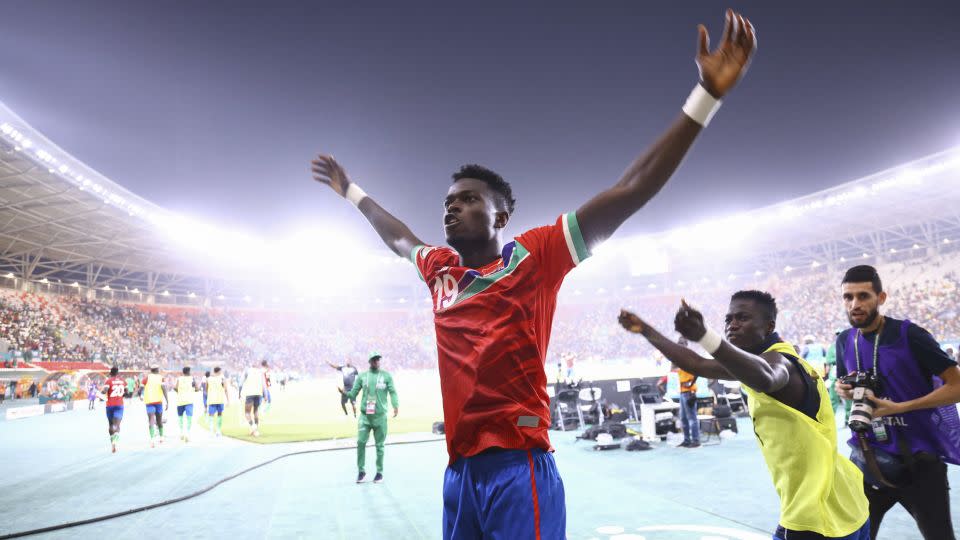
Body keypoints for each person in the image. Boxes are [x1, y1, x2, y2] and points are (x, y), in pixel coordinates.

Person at [311, 9, 755, 537]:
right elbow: (399, 235)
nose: (451, 209)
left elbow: (629, 190)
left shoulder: (535, 257)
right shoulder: (440, 270)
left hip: (519, 468)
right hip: (459, 474)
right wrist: (351, 192)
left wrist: (704, 98)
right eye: (448, 202)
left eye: (468, 200)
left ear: (501, 216)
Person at [619, 290, 870, 540]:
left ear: (769, 325)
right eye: (728, 319)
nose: (732, 325)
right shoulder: (758, 361)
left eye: (742, 318)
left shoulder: (781, 361)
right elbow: (699, 364)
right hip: (841, 500)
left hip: (819, 516)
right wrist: (646, 330)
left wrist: (706, 336)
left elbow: (767, 377)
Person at [834, 265, 960, 540]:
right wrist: (841, 388)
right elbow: (846, 381)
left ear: (881, 298)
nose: (854, 304)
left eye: (863, 296)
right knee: (855, 537)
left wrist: (901, 407)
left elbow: (957, 386)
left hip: (919, 463)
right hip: (868, 459)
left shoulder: (910, 335)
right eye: (848, 297)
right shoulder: (844, 340)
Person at [342, 353, 398, 484]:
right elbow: (353, 393)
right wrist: (346, 394)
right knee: (361, 442)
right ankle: (361, 472)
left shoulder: (386, 376)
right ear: (370, 362)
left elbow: (393, 392)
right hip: (365, 417)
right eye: (374, 359)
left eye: (378, 359)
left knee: (380, 446)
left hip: (380, 417)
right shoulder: (362, 376)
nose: (377, 361)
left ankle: (379, 473)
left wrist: (395, 405)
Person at [675, 337, 701, 448]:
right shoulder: (679, 358)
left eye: (682, 343)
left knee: (692, 418)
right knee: (683, 419)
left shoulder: (690, 356)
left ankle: (696, 441)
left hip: (689, 392)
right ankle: (686, 440)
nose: (680, 345)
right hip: (682, 392)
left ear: (686, 344)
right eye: (679, 343)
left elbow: (698, 371)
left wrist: (691, 384)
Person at [140, 367, 169, 448]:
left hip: (149, 402)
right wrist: (167, 401)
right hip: (158, 402)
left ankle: (152, 439)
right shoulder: (161, 378)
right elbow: (164, 389)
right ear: (157, 370)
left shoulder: (146, 378)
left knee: (151, 420)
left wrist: (140, 395)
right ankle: (161, 437)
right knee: (159, 420)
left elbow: (141, 389)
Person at [101, 367, 127, 453]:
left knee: (111, 424)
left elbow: (104, 391)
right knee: (117, 425)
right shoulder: (123, 381)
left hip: (109, 405)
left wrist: (100, 394)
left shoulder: (108, 381)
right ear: (118, 373)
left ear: (110, 373)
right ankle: (115, 441)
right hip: (119, 405)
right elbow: (126, 392)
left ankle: (112, 442)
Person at [240, 360, 268, 437]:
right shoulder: (260, 372)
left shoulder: (247, 371)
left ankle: (253, 427)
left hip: (250, 394)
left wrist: (239, 393)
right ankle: (255, 430)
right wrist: (266, 395)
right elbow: (264, 384)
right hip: (258, 394)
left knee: (247, 412)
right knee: (256, 411)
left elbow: (241, 383)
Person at [175, 367, 199, 443]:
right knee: (189, 418)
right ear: (189, 372)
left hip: (180, 401)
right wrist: (193, 389)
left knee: (180, 417)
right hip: (189, 401)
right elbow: (197, 389)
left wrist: (180, 392)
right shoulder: (192, 379)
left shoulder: (179, 379)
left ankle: (181, 433)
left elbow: (175, 388)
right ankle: (188, 434)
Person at [206, 366, 229, 437]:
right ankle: (218, 431)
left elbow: (206, 389)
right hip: (220, 399)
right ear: (219, 371)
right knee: (219, 414)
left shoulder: (208, 379)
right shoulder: (222, 379)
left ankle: (211, 430)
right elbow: (225, 389)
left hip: (211, 399)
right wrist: (228, 400)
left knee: (211, 415)